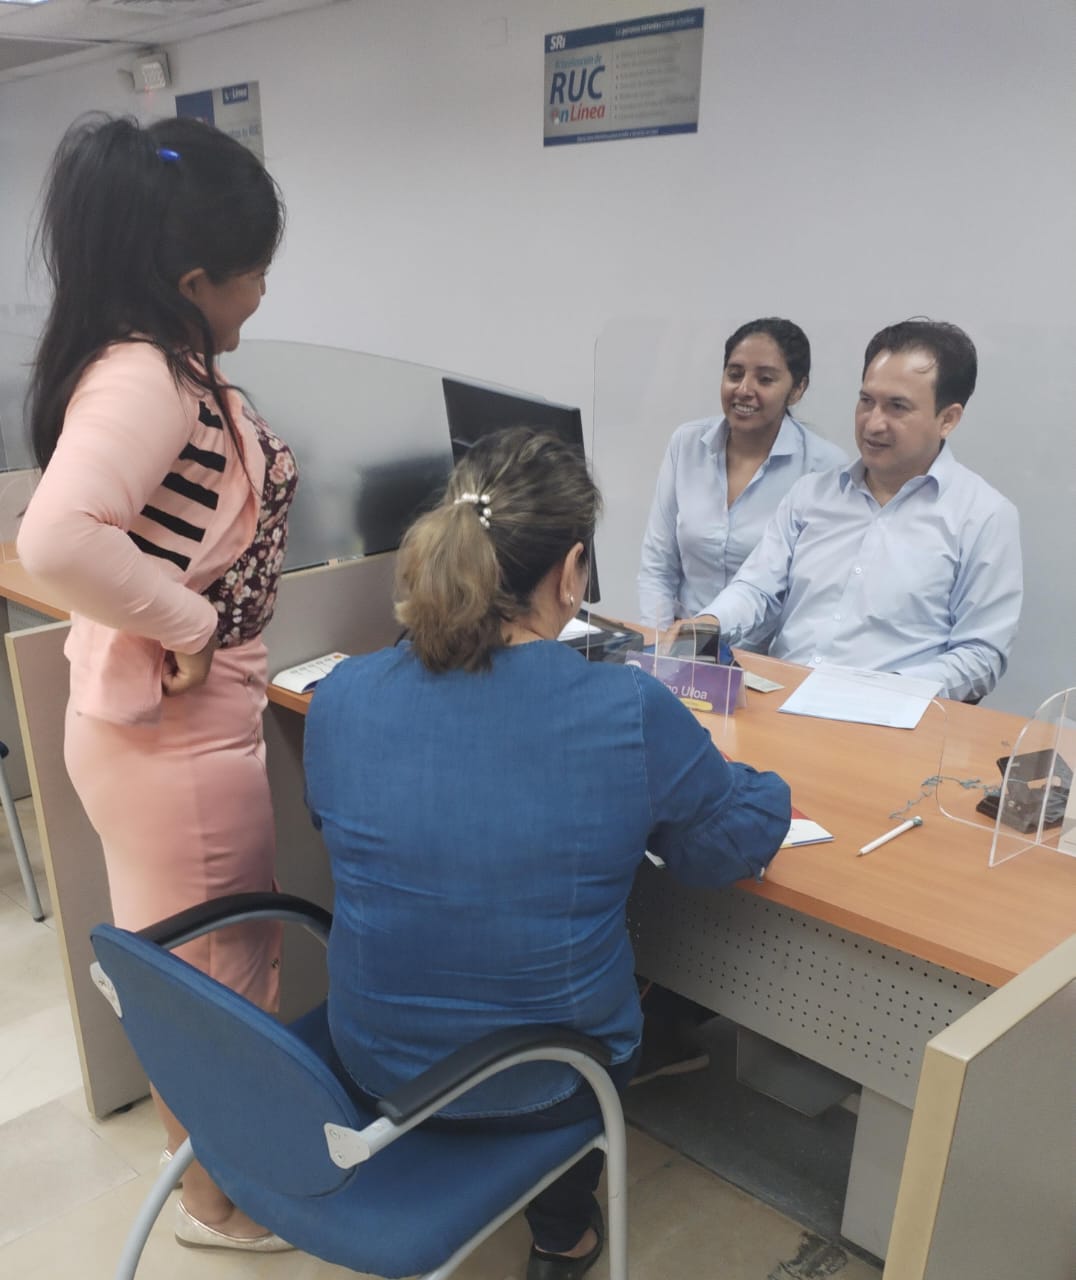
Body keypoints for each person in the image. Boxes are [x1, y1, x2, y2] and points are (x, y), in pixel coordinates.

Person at [304, 428, 791, 1280]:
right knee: (606, 987)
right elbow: (722, 849)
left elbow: (332, 819)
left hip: (372, 1060)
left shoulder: (343, 694)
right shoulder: (626, 709)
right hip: (548, 1081)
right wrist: (763, 785)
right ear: (571, 573)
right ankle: (562, 1234)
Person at [17, 114, 296, 1252]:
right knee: (216, 980)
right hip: (175, 736)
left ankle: (210, 1182)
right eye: (254, 272)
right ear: (194, 283)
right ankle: (216, 1204)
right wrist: (191, 622)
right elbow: (55, 538)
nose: (263, 294)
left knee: (197, 968)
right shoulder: (147, 374)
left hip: (167, 726)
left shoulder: (155, 362)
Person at [693, 320, 1022, 703]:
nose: (873, 423)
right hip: (780, 703)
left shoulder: (983, 517)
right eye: (866, 401)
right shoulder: (811, 495)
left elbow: (980, 655)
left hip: (891, 719)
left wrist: (883, 693)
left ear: (947, 419)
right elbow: (757, 588)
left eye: (897, 407)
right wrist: (709, 623)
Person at [637, 317, 847, 631]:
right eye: (734, 374)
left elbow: (814, 597)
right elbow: (658, 566)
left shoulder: (824, 467)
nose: (744, 390)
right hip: (680, 642)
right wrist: (657, 642)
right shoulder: (687, 444)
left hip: (765, 653)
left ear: (797, 389)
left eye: (765, 379)